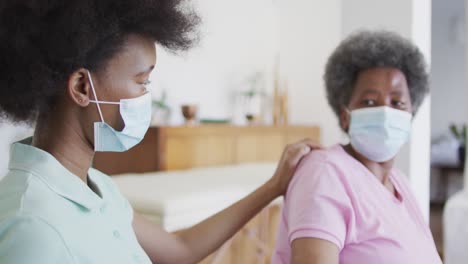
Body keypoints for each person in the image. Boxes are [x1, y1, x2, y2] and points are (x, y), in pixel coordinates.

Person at [0, 1, 320, 263]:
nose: (146, 97)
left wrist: (274, 186)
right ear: (82, 87)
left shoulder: (95, 186)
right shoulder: (34, 228)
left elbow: (179, 249)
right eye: (141, 81)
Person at [271, 30, 442, 264]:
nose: (385, 112)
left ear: (411, 115)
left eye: (397, 102)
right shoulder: (326, 173)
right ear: (345, 117)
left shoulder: (399, 183)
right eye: (369, 101)